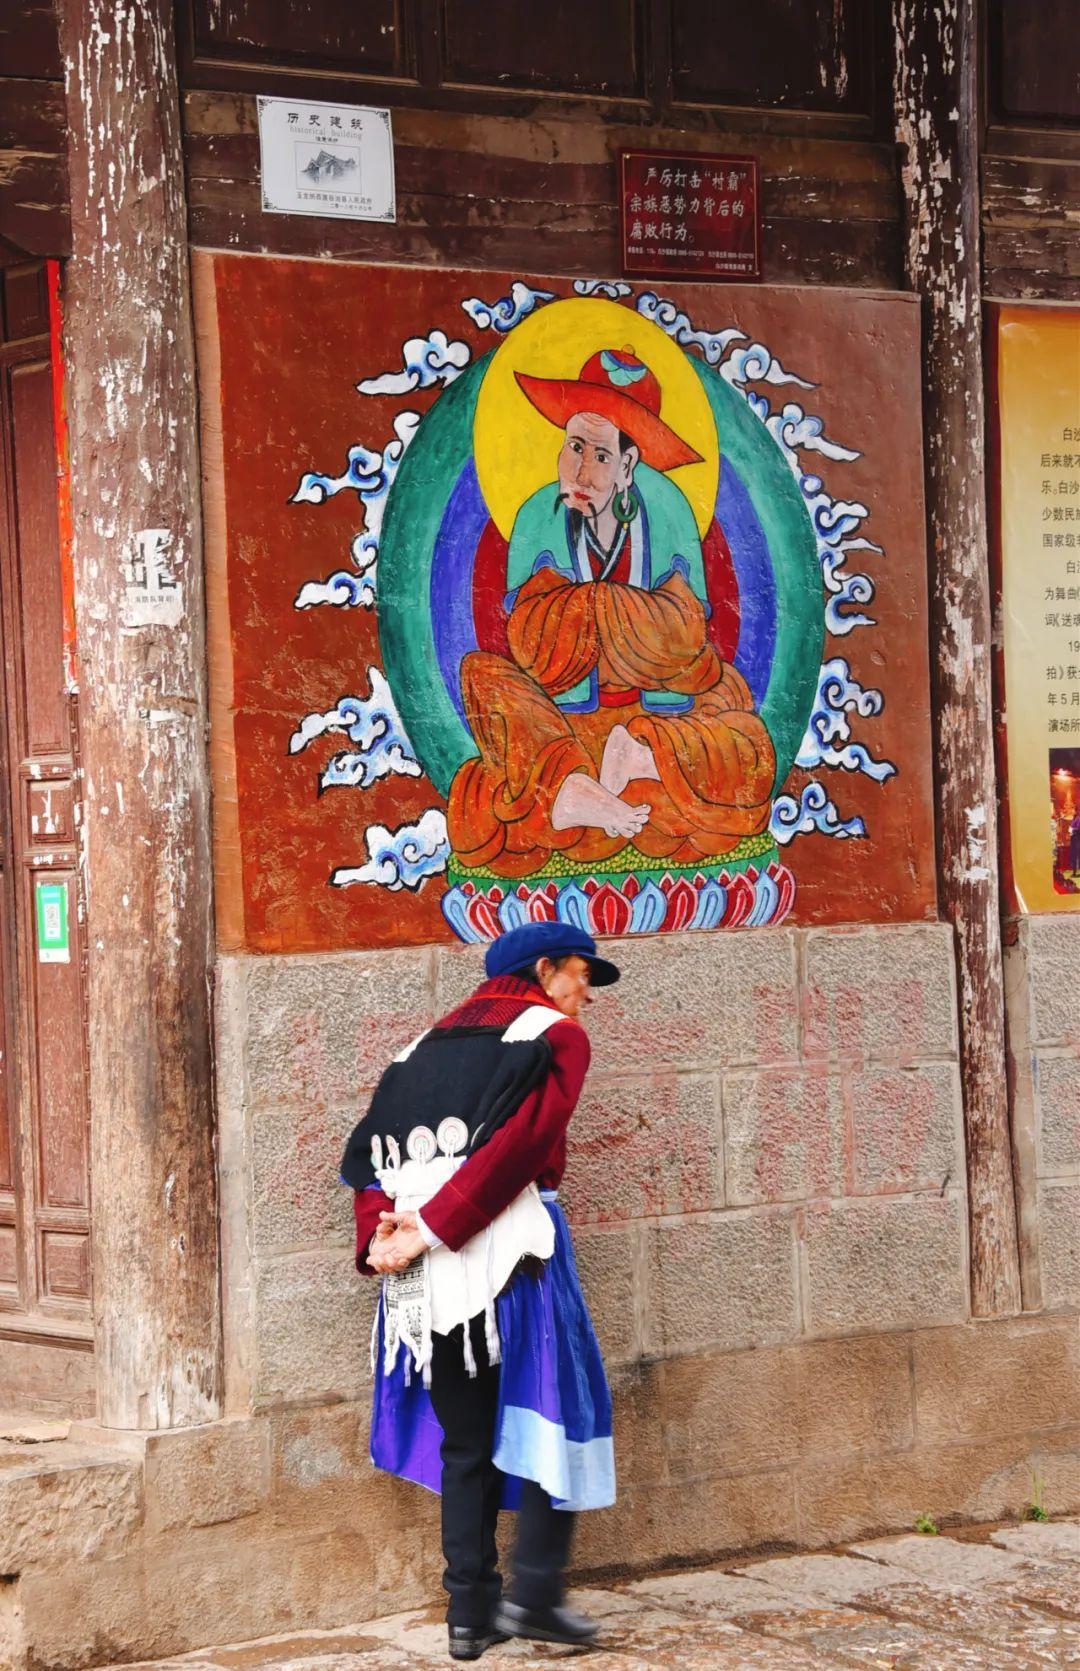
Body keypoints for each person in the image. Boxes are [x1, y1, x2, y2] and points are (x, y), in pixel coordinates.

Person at [343, 920, 619, 1662]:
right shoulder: (556, 1036)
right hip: (512, 1253)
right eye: (580, 972)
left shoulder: (417, 1049)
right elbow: (518, 1151)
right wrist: (434, 1227)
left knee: (466, 1440)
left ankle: (469, 1614)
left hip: (423, 1269)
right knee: (554, 1408)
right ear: (544, 970)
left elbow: (369, 1160)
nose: (587, 990)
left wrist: (383, 1237)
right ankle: (534, 1595)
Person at [447, 345, 776, 878]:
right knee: (482, 677)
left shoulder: (669, 510)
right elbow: (532, 648)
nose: (580, 470)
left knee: (747, 741)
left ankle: (637, 763)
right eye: (573, 446)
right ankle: (574, 788)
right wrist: (613, 615)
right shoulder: (537, 517)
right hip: (564, 731)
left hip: (657, 724)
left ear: (628, 465)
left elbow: (684, 641)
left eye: (600, 455)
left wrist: (594, 613)